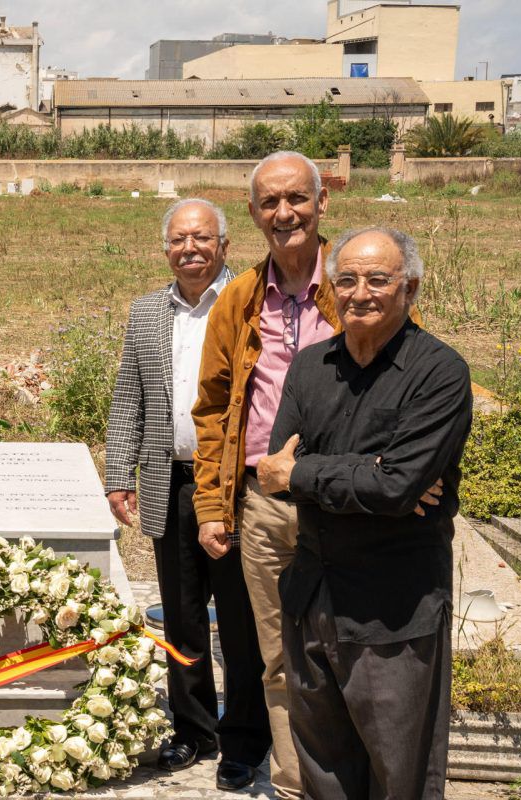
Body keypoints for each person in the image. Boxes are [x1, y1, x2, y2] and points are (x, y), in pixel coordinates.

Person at [257, 227, 471, 799]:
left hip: (391, 615)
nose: (361, 293)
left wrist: (313, 473)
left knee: (398, 776)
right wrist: (370, 471)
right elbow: (273, 475)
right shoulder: (309, 367)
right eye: (346, 279)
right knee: (324, 772)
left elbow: (396, 487)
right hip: (313, 596)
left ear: (411, 288)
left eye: (379, 279)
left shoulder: (439, 373)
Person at [105, 199, 270, 791]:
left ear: (225, 245)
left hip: (231, 484)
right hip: (168, 478)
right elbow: (130, 396)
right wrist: (119, 471)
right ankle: (195, 729)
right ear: (165, 247)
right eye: (179, 239)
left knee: (241, 614)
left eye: (202, 237)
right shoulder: (148, 311)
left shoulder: (253, 302)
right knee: (180, 616)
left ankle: (246, 739)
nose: (190, 248)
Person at [191, 150, 339, 799]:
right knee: (277, 657)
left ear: (321, 201)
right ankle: (292, 783)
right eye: (270, 203)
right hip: (262, 503)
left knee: (345, 650)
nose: (285, 213)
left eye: (296, 198)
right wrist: (212, 506)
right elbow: (215, 408)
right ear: (253, 214)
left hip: (345, 499)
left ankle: (349, 778)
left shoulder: (357, 281)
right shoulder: (240, 300)